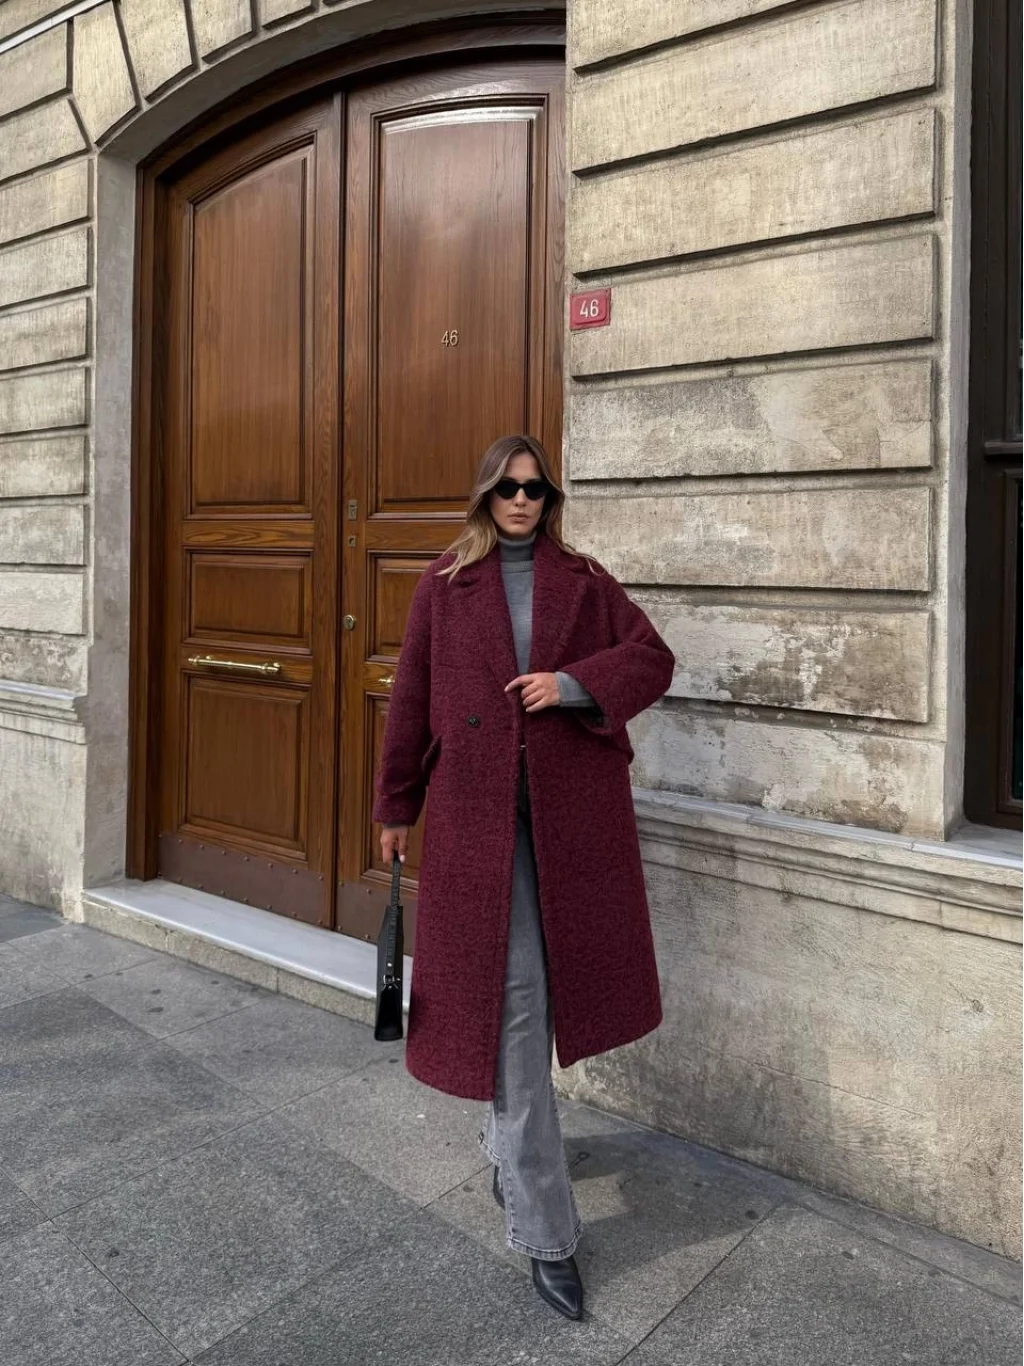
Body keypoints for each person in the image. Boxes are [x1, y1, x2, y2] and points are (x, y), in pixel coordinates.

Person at [374, 434, 675, 1321]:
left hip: (571, 826)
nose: (520, 501)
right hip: (478, 827)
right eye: (507, 488)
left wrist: (573, 685)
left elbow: (652, 657)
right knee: (514, 1006)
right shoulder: (443, 583)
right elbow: (411, 699)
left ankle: (507, 1146)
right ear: (484, 495)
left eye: (535, 489)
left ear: (550, 499)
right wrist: (395, 805)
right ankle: (547, 1230)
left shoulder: (584, 579)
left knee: (541, 998)